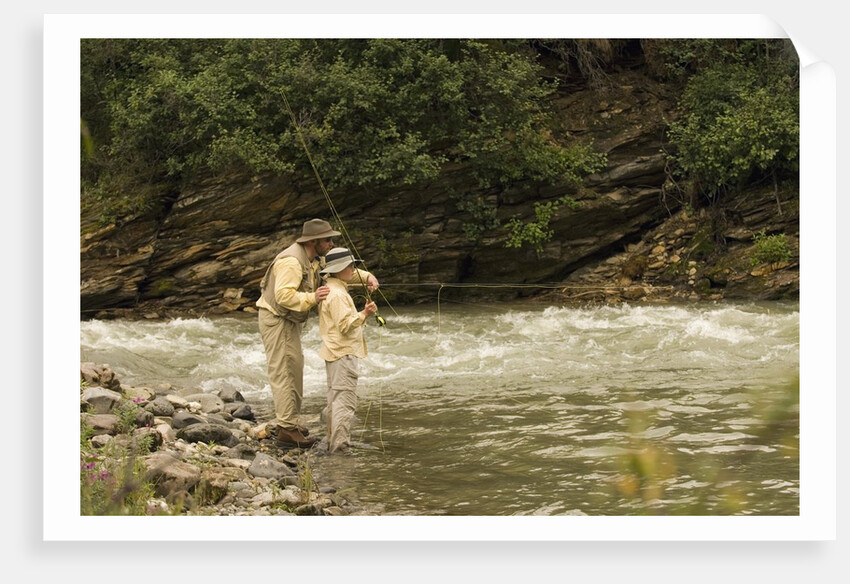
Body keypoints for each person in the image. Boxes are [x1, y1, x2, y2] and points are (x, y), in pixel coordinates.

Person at [256, 219, 378, 447]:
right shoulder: (291, 261)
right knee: (285, 371)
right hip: (276, 319)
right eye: (328, 240)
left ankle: (290, 422)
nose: (331, 244)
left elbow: (338, 269)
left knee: (295, 368)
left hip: (289, 319)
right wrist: (313, 298)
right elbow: (283, 296)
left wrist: (367, 276)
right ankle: (287, 430)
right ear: (313, 241)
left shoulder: (315, 257)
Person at [317, 247, 378, 454]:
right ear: (339, 268)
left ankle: (332, 443)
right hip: (343, 354)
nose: (354, 269)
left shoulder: (334, 288)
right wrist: (365, 313)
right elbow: (345, 325)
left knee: (335, 400)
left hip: (335, 352)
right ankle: (340, 448)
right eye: (350, 265)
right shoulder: (337, 295)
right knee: (345, 402)